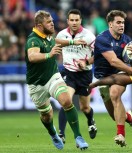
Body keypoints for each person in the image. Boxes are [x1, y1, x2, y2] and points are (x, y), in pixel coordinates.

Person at [25, 10, 88, 150]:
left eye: (52, 21)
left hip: (53, 76)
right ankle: (53, 133)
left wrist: (73, 41)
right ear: (40, 25)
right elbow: (32, 57)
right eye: (49, 22)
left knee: (66, 100)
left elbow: (56, 41)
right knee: (46, 115)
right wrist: (50, 54)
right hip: (36, 84)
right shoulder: (33, 40)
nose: (52, 24)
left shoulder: (47, 35)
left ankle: (78, 136)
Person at [93, 10, 132, 147]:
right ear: (110, 24)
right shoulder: (102, 39)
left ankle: (120, 135)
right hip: (103, 78)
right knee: (115, 116)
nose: (121, 25)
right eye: (118, 22)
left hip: (119, 75)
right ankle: (129, 118)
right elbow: (113, 61)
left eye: (123, 22)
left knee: (114, 94)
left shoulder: (127, 41)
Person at [55, 9, 97, 143]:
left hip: (84, 75)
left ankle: (91, 121)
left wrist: (86, 62)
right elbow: (56, 47)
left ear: (80, 21)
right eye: (71, 20)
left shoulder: (89, 36)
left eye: (76, 20)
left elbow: (100, 54)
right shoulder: (61, 34)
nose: (74, 22)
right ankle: (61, 134)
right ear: (67, 21)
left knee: (85, 107)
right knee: (66, 101)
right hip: (69, 74)